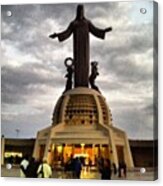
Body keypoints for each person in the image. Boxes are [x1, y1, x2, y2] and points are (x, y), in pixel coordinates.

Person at [49, 4, 112, 88]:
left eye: (82, 11)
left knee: (85, 64)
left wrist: (104, 31)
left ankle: (85, 84)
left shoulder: (87, 23)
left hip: (85, 47)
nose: (80, 12)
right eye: (79, 11)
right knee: (78, 64)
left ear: (83, 12)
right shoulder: (74, 23)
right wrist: (57, 35)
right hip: (77, 47)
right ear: (77, 12)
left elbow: (95, 30)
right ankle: (77, 84)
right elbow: (67, 32)